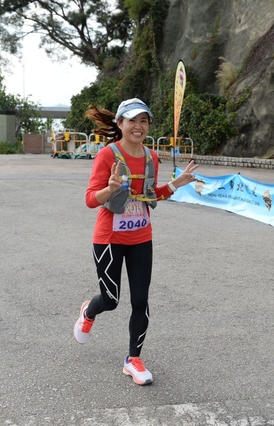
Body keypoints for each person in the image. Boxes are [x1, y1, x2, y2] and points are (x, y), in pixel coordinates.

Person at [73, 98, 198, 386]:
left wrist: (176, 185)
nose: (138, 126)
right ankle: (88, 312)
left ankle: (133, 359)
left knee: (141, 300)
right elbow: (90, 199)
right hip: (109, 238)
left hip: (141, 237)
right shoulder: (107, 156)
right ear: (120, 124)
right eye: (132, 120)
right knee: (110, 300)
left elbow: (150, 195)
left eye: (144, 121)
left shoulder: (151, 157)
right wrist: (109, 189)